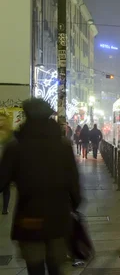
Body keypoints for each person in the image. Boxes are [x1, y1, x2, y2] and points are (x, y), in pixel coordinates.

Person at [0, 98, 81, 275]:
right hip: (58, 217)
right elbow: (74, 185)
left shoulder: (15, 147)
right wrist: (73, 205)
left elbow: (1, 181)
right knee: (55, 266)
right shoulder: (63, 146)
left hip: (29, 219)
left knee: (34, 267)